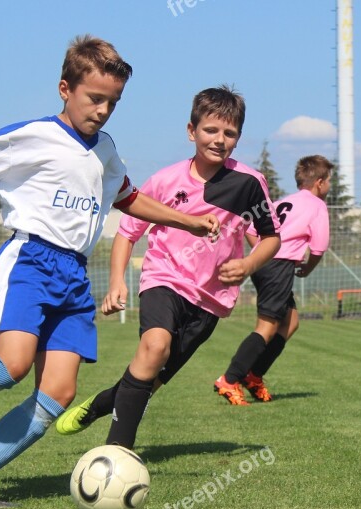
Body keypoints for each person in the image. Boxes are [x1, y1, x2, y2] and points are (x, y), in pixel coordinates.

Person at [0, 35, 219, 508]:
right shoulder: (35, 136)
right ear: (64, 88)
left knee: (59, 391)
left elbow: (128, 197)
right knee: (12, 364)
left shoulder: (106, 149)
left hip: (74, 275)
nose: (103, 110)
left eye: (113, 102)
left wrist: (188, 220)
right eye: (95, 98)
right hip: (31, 260)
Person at [54, 85, 281, 447]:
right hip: (165, 280)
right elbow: (127, 233)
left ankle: (98, 405)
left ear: (238, 138)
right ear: (191, 131)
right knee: (153, 347)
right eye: (210, 130)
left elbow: (271, 237)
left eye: (229, 133)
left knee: (151, 380)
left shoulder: (250, 184)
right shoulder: (164, 181)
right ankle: (116, 454)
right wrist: (117, 282)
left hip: (210, 302)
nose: (219, 140)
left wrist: (249, 263)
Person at [214, 155, 332, 405]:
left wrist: (262, 254)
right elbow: (319, 248)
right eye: (329, 181)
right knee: (267, 327)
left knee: (290, 322)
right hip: (278, 268)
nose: (329, 186)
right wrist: (307, 269)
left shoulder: (284, 201)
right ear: (319, 182)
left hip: (265, 264)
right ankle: (230, 379)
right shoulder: (317, 206)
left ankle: (254, 376)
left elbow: (251, 229)